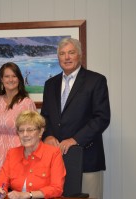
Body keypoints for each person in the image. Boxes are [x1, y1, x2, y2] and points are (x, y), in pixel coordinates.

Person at [41, 38, 111, 199]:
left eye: (71, 53)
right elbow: (45, 116)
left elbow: (102, 117)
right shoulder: (50, 84)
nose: (67, 57)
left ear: (80, 55)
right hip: (56, 160)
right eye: (62, 54)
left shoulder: (96, 81)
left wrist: (75, 139)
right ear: (58, 58)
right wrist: (48, 135)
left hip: (87, 158)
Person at [0, 110, 66, 199]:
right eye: (21, 131)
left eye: (30, 130)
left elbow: (57, 189)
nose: (25, 134)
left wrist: (29, 195)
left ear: (41, 132)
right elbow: (0, 182)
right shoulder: (12, 153)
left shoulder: (53, 153)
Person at [0, 62, 36, 181]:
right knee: (0, 190)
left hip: (20, 152)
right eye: (7, 76)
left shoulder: (27, 103)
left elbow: (34, 133)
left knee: (17, 189)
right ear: (1, 80)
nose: (11, 79)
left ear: (19, 79)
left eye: (14, 76)